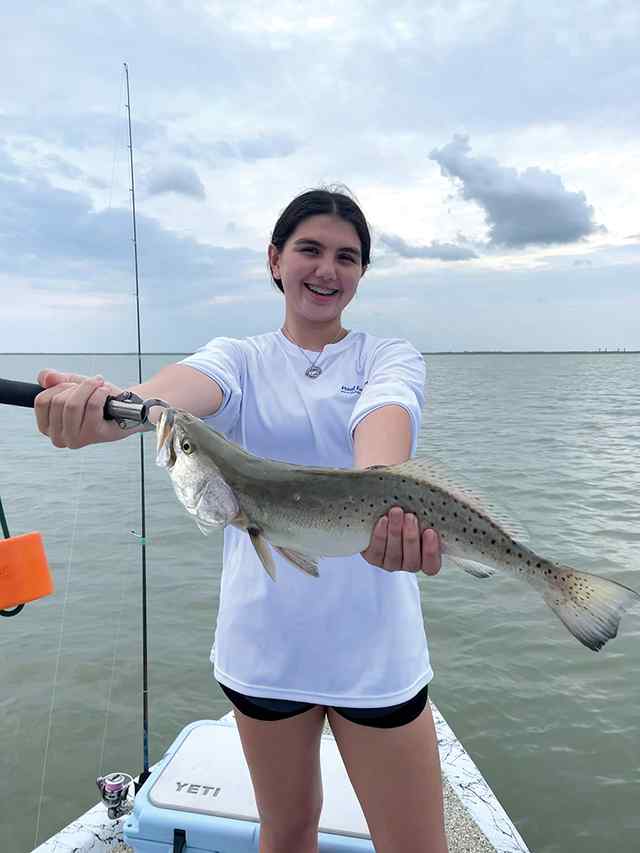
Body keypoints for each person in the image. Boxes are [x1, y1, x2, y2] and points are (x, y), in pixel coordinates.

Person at [35, 187, 448, 853]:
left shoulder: (387, 356)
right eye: (309, 249)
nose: (326, 269)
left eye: (347, 256)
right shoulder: (240, 357)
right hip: (264, 652)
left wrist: (385, 501)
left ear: (362, 274)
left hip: (377, 653)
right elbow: (174, 404)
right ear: (275, 259)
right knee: (284, 832)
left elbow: (385, 421)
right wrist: (108, 409)